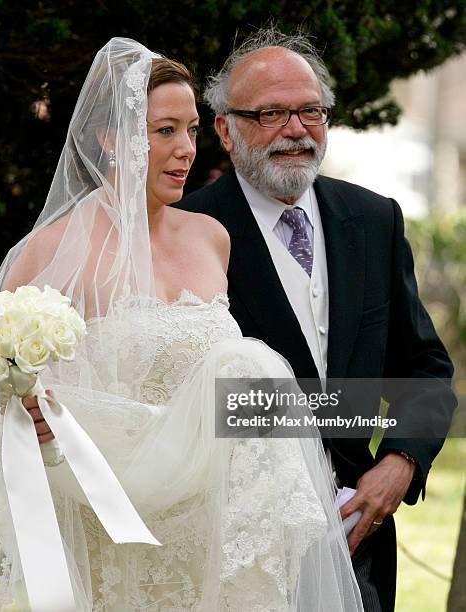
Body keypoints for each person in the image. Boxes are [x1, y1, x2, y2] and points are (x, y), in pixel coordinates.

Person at [0, 38, 365, 611]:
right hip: (109, 529)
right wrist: (17, 408)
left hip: (209, 535)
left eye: (190, 130)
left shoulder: (212, 239)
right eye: (164, 131)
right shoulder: (52, 253)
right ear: (113, 138)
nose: (185, 150)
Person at [178, 27, 457, 612]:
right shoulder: (185, 231)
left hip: (361, 540)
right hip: (234, 548)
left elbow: (426, 366)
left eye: (310, 111)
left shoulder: (374, 219)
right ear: (226, 130)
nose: (296, 130)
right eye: (271, 114)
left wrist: (401, 462)